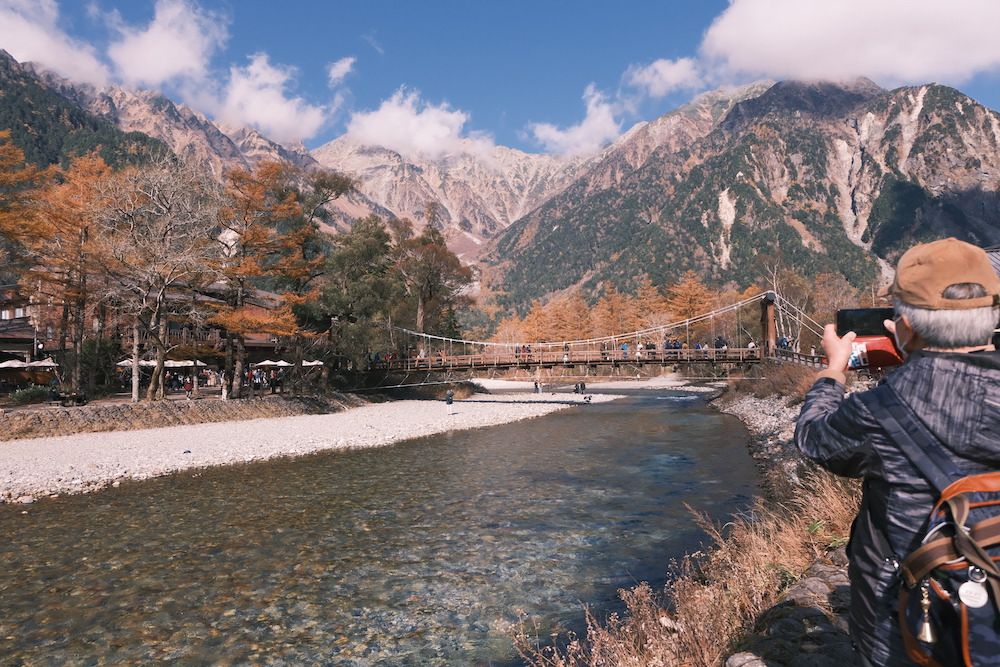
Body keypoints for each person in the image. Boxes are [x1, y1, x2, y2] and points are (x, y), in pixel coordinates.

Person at [795, 238, 1000, 666]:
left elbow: (815, 440)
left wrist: (833, 372)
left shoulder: (879, 410)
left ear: (904, 325)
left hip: (905, 605)